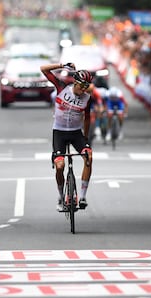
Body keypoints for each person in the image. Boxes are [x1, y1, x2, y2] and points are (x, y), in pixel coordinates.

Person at [40, 62, 94, 211]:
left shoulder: (87, 98)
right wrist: (62, 65)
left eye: (86, 86)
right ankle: (60, 196)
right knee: (60, 166)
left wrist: (86, 138)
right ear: (75, 82)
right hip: (59, 132)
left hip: (76, 133)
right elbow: (43, 69)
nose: (84, 89)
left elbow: (87, 118)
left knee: (88, 157)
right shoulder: (62, 87)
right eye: (82, 85)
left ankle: (82, 196)